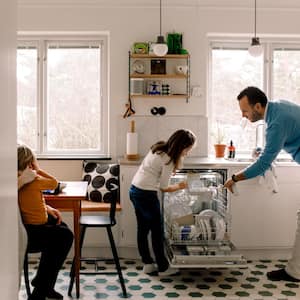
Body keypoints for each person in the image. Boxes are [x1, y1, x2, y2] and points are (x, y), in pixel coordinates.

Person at [223, 86, 300, 282]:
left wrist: (234, 178)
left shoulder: (276, 123)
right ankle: (295, 270)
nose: (243, 115)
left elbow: (264, 162)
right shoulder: (279, 106)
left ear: (258, 106)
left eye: (245, 111)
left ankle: (295, 272)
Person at [129, 129, 196, 276]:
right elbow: (164, 187)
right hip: (146, 194)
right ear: (181, 146)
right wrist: (180, 186)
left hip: (134, 190)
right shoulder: (168, 160)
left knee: (143, 229)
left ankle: (147, 263)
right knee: (157, 232)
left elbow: (155, 171)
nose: (187, 152)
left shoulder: (158, 147)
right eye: (187, 149)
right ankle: (163, 268)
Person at [18, 144, 74, 300]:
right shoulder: (32, 179)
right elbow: (54, 183)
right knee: (65, 236)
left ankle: (44, 284)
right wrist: (37, 169)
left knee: (60, 225)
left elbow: (28, 201)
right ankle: (40, 291)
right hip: (31, 233)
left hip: (29, 226)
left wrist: (47, 207)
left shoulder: (16, 178)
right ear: (30, 163)